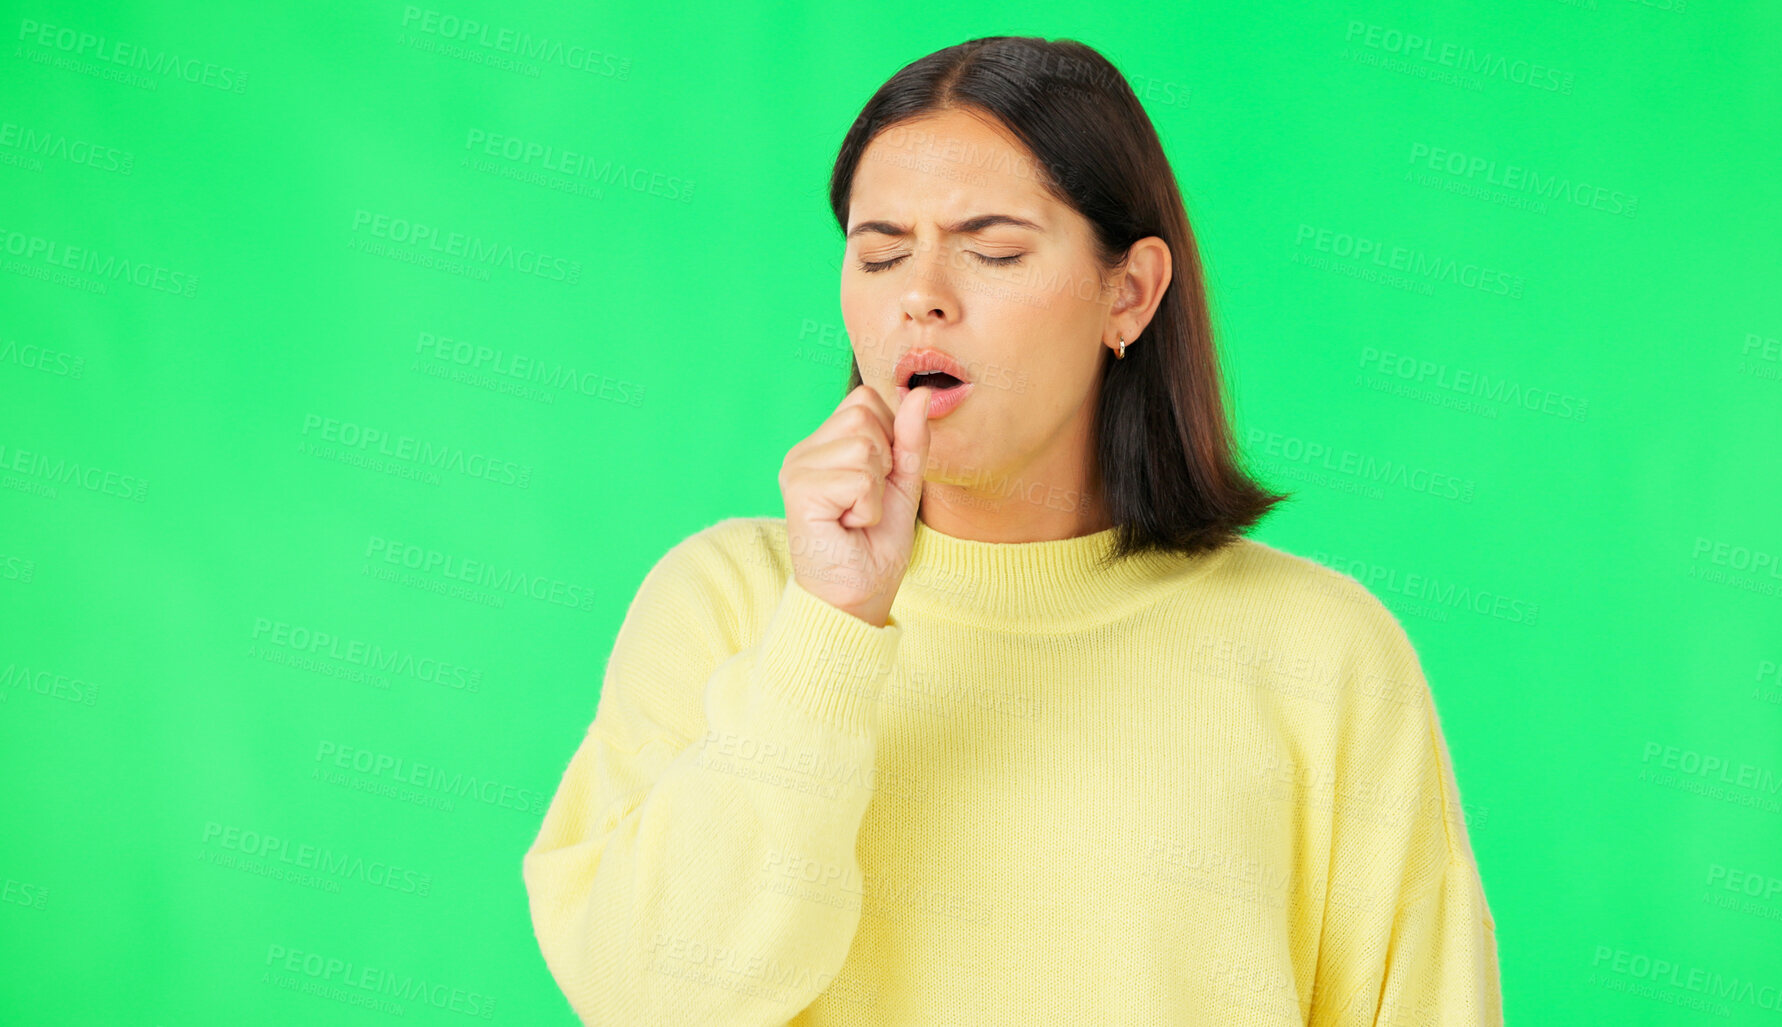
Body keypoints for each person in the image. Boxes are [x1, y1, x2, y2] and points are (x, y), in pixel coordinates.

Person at [523, 34, 1501, 1027]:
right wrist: (829, 624)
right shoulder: (727, 602)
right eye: (879, 253)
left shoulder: (1326, 651)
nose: (923, 295)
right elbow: (652, 1000)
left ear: (1130, 292)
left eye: (992, 249)